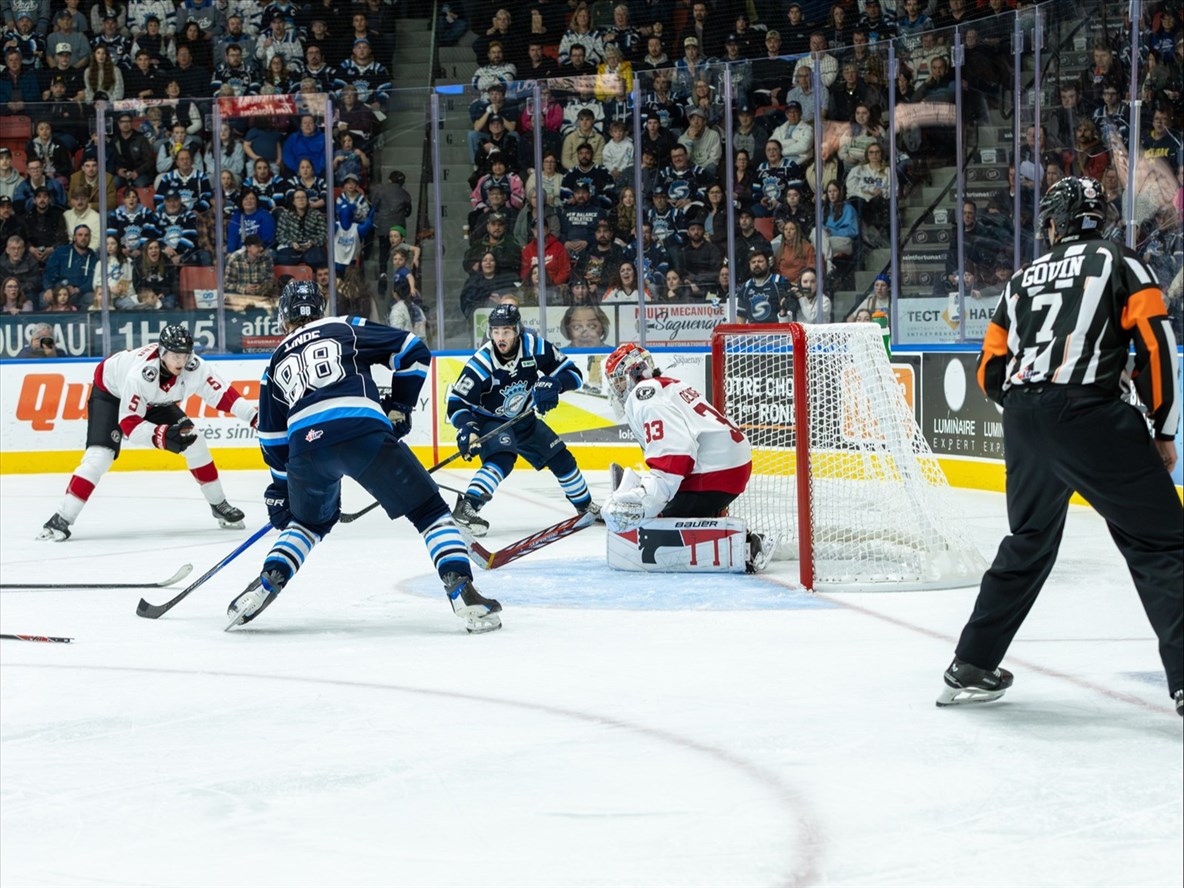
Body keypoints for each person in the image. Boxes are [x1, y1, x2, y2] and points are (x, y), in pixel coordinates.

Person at [938, 177, 1183, 716]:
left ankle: (971, 662)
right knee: (1162, 544)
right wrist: (1163, 428)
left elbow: (989, 369)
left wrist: (1033, 412)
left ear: (1056, 222)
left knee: (1028, 541)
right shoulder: (1121, 262)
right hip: (1091, 413)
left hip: (1025, 419)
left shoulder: (1022, 278)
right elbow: (1158, 346)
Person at [227, 280, 501, 634]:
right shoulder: (343, 325)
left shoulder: (274, 361)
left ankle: (268, 579)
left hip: (306, 451)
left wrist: (282, 489)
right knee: (429, 512)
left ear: (283, 317)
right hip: (360, 431)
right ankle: (461, 588)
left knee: (307, 524)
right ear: (320, 308)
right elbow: (413, 350)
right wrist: (400, 405)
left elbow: (272, 437)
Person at [37, 324, 256, 542]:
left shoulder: (195, 366)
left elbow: (224, 395)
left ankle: (218, 504)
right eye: (176, 356)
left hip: (154, 400)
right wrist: (162, 435)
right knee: (100, 456)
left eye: (185, 355)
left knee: (194, 441)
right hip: (111, 394)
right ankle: (61, 518)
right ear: (162, 353)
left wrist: (255, 417)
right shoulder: (140, 375)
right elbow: (129, 424)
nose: (181, 361)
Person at [599, 342, 769, 572]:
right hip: (728, 464)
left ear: (633, 374)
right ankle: (715, 520)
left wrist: (649, 501)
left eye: (619, 380)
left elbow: (676, 453)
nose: (618, 388)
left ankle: (744, 545)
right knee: (663, 508)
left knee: (651, 527)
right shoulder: (667, 384)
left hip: (713, 472)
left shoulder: (644, 395)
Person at [446, 303, 599, 537]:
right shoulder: (481, 364)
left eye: (506, 331)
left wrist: (555, 384)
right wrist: (468, 427)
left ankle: (585, 506)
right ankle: (466, 508)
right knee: (502, 458)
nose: (500, 338)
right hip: (491, 421)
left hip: (524, 418)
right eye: (496, 332)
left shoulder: (535, 347)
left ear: (517, 330)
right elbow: (457, 403)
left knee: (562, 459)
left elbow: (574, 374)